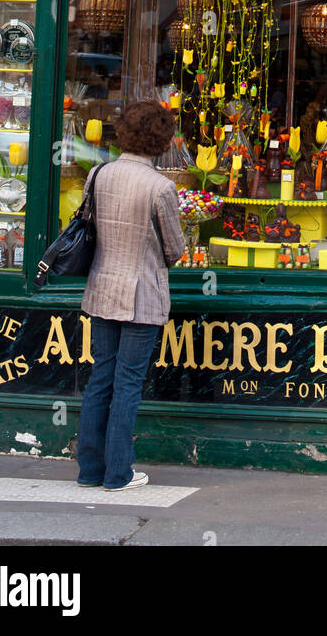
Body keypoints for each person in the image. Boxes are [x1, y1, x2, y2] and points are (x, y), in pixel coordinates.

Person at [76, 100, 185, 491]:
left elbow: (87, 229)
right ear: (162, 140)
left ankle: (90, 470)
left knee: (100, 377)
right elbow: (175, 249)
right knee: (127, 383)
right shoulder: (161, 186)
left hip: (103, 285)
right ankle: (119, 473)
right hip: (143, 294)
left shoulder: (98, 174)